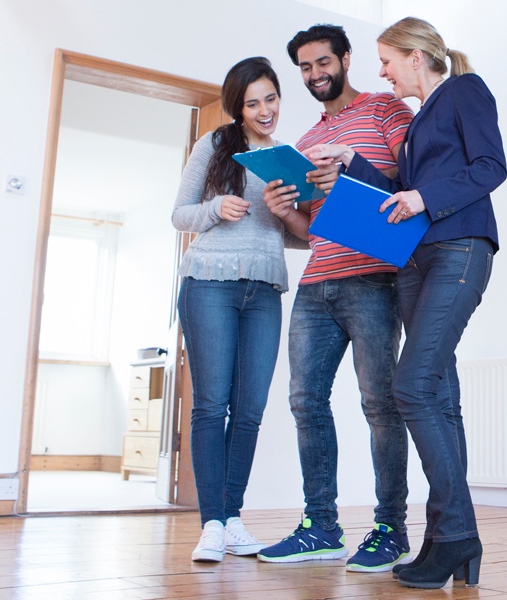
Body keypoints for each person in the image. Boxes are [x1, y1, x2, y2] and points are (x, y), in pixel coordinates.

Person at [307, 16, 506, 589]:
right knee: (438, 395)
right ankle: (448, 540)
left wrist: (422, 196)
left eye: (387, 61)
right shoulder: (418, 124)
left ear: (416, 57)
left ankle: (457, 535)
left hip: (459, 250)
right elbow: (402, 196)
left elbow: (491, 166)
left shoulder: (466, 91)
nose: (381, 72)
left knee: (411, 386)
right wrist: (354, 166)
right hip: (418, 261)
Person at [254, 24, 417, 573]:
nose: (315, 75)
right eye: (304, 68)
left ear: (346, 59)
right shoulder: (302, 144)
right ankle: (320, 527)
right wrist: (285, 212)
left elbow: (410, 185)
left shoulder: (385, 111)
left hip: (374, 279)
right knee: (305, 403)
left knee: (380, 405)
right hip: (317, 283)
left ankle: (390, 529)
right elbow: (312, 230)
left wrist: (349, 170)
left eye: (323, 62)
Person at [171, 56, 309, 563]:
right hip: (208, 283)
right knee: (212, 405)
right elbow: (179, 214)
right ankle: (211, 523)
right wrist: (215, 210)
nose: (264, 110)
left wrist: (285, 212)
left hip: (264, 290)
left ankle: (232, 518)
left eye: (270, 98)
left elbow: (301, 238)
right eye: (252, 103)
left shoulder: (289, 158)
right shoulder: (214, 145)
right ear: (237, 107)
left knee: (249, 411)